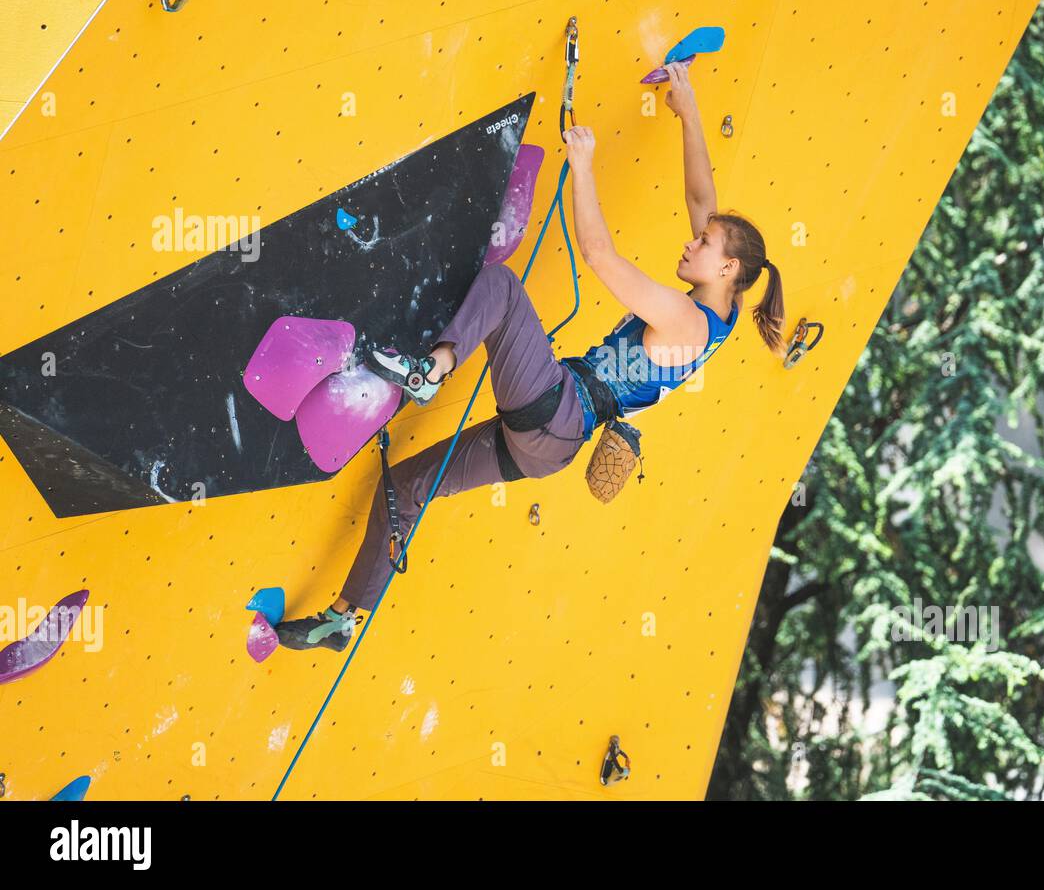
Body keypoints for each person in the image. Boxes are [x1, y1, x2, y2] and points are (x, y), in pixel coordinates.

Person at [276, 62, 785, 651]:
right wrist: (688, 104)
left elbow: (597, 254)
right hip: (552, 442)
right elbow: (702, 196)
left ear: (726, 268)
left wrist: (586, 168)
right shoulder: (718, 301)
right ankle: (344, 618)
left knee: (500, 288)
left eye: (702, 244)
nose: (690, 240)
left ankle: (429, 371)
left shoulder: (686, 321)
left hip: (560, 409)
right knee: (410, 486)